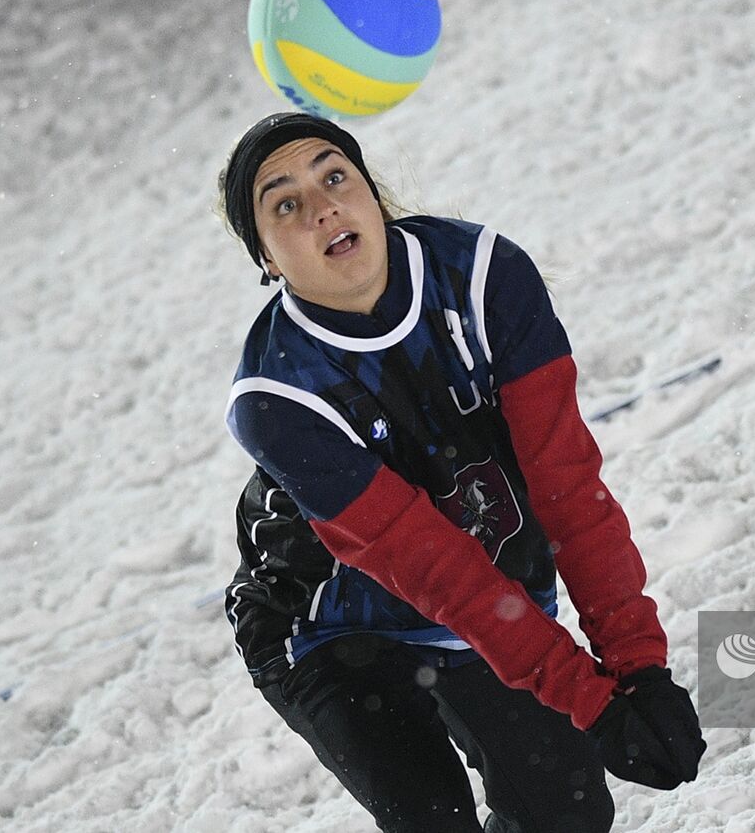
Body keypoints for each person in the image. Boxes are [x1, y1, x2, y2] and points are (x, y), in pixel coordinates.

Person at [217, 112, 705, 833]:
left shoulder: (485, 277)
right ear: (266, 258)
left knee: (567, 818)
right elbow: (439, 571)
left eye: (334, 175)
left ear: (371, 196)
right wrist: (592, 699)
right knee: (434, 818)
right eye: (285, 203)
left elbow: (568, 489)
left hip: (484, 601)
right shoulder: (275, 400)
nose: (322, 206)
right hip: (329, 632)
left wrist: (639, 667)